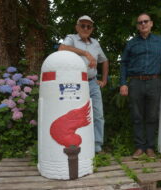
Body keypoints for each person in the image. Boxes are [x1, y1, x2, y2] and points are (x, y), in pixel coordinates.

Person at [120, 13, 161, 158]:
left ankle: (150, 147)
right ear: (138, 26)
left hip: (154, 82)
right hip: (135, 82)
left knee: (152, 116)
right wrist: (123, 83)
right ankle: (139, 147)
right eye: (140, 22)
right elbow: (124, 64)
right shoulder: (131, 43)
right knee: (136, 116)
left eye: (145, 21)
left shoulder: (160, 41)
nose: (143, 24)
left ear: (151, 23)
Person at [58, 15, 109, 153]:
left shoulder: (96, 43)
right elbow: (62, 48)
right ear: (77, 27)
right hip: (74, 84)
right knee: (74, 115)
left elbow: (104, 60)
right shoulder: (71, 38)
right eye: (83, 25)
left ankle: (97, 146)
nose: (85, 28)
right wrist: (85, 53)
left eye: (89, 26)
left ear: (92, 29)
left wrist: (104, 80)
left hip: (92, 83)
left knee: (98, 114)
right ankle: (78, 145)